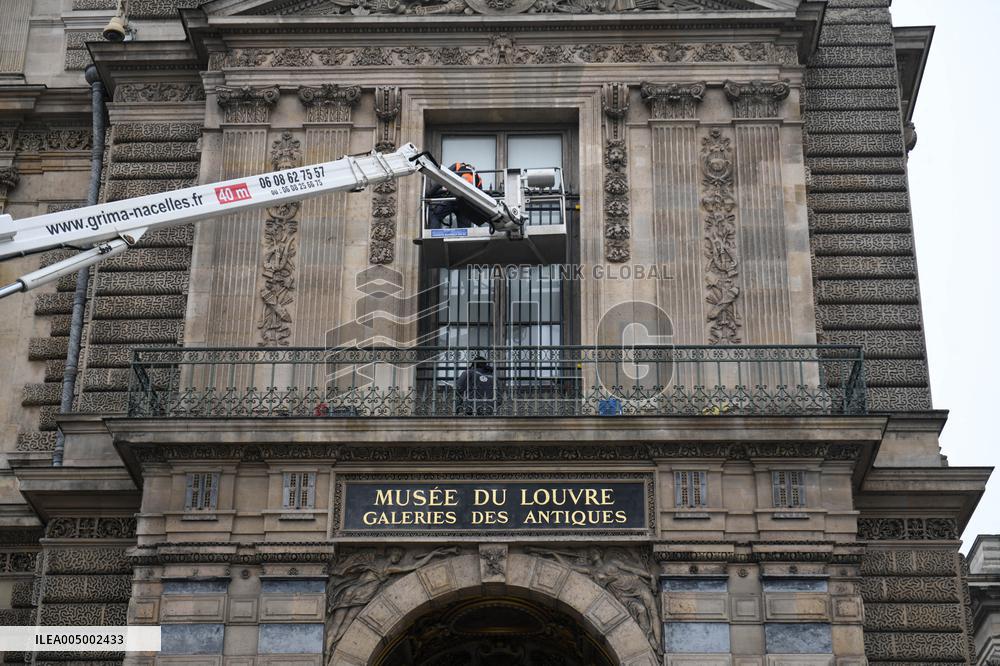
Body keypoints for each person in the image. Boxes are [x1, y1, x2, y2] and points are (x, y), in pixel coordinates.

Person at [427, 162, 488, 229]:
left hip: (452, 199)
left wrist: (429, 194)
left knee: (436, 215)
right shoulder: (478, 178)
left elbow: (442, 178)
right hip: (466, 204)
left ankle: (434, 238)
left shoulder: (458, 166)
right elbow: (480, 196)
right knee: (464, 228)